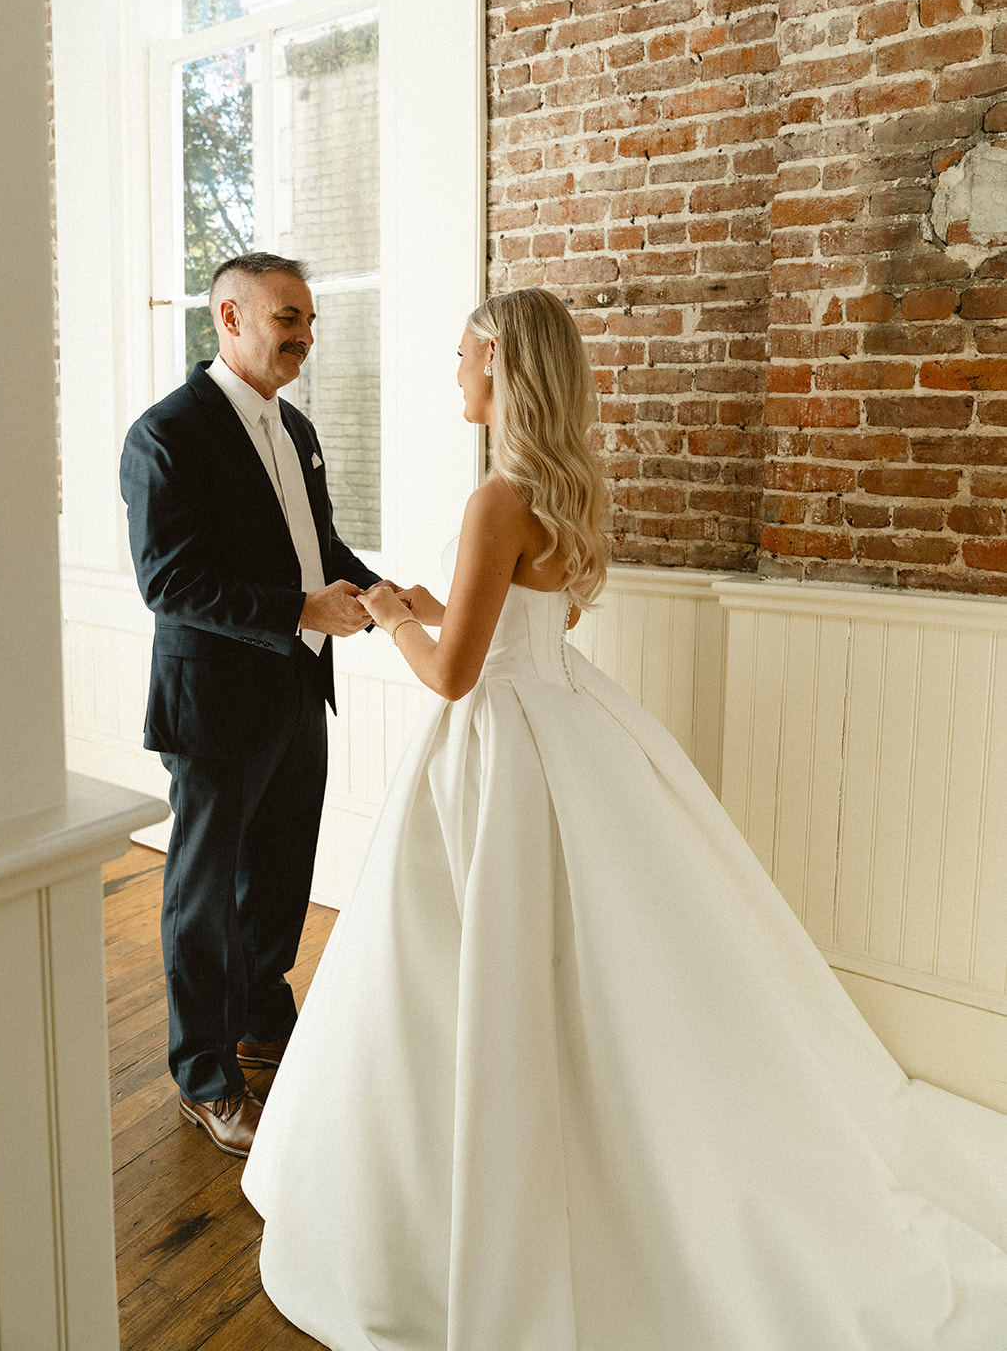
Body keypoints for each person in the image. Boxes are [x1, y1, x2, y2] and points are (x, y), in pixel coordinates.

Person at [242, 287, 1007, 1348]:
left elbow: (458, 677)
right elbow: (530, 620)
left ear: (504, 369)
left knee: (469, 958)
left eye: (463, 358)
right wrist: (431, 602)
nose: (454, 376)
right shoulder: (570, 486)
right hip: (568, 717)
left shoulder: (494, 497)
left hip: (500, 744)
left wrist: (383, 618)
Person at [120, 251, 386, 1158]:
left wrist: (383, 595)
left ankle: (260, 1018)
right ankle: (204, 1074)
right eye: (288, 322)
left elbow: (318, 546)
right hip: (214, 705)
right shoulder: (166, 435)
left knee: (277, 877)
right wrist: (297, 611)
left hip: (298, 686)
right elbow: (171, 582)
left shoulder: (296, 426)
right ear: (229, 320)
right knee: (202, 895)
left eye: (309, 321)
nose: (306, 337)